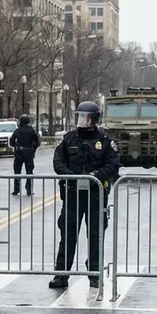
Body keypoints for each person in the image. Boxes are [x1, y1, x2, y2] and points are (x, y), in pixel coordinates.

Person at [49, 101, 120, 290]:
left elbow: (113, 164)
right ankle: (61, 274)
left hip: (96, 195)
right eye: (80, 117)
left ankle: (95, 273)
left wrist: (96, 176)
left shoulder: (104, 140)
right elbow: (58, 161)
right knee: (68, 234)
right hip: (73, 195)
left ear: (95, 119)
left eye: (86, 118)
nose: (82, 121)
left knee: (95, 235)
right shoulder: (69, 138)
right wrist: (71, 176)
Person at [11, 114, 40, 196]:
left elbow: (11, 141)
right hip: (29, 153)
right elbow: (37, 141)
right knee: (29, 172)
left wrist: (16, 146)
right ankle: (29, 190)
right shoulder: (31, 130)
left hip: (19, 153)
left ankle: (16, 190)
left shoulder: (17, 130)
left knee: (17, 172)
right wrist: (33, 148)